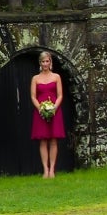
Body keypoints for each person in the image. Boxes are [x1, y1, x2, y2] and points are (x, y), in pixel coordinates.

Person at [30, 51, 66, 179]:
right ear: (40, 63)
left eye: (47, 61)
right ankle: (45, 170)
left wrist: (54, 107)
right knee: (43, 140)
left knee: (54, 140)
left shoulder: (56, 77)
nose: (45, 64)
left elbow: (60, 94)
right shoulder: (35, 78)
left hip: (54, 110)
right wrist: (41, 108)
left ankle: (52, 170)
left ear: (50, 62)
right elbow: (33, 96)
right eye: (43, 61)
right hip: (41, 111)